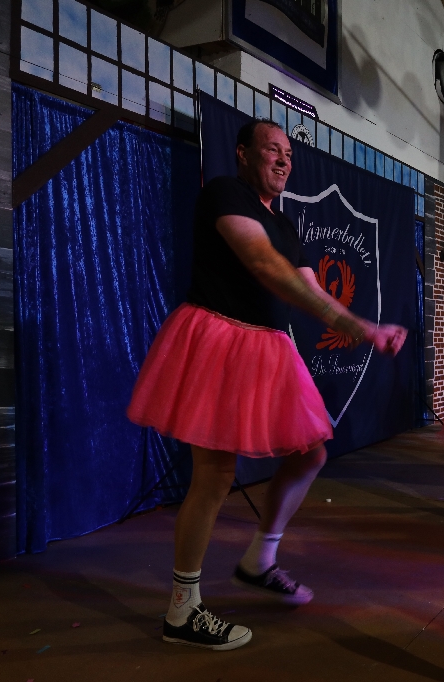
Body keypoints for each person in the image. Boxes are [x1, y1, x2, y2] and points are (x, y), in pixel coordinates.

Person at [127, 119, 406, 650]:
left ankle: (260, 559)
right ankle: (182, 610)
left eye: (289, 154)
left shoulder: (286, 224)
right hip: (219, 338)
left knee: (311, 453)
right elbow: (260, 262)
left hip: (268, 347)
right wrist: (360, 328)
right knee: (215, 475)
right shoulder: (226, 193)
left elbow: (307, 288)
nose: (283, 160)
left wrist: (362, 327)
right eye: (272, 150)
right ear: (243, 154)